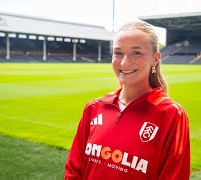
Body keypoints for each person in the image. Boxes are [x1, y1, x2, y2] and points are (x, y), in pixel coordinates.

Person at [65, 21, 190, 179]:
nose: (124, 62)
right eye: (118, 53)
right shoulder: (94, 108)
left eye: (136, 53)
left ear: (155, 59)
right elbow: (74, 171)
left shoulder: (171, 114)